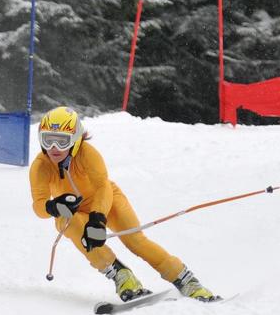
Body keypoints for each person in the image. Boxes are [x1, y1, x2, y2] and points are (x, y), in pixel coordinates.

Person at [30, 106, 217, 303]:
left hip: (107, 202)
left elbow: (103, 187)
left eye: (61, 141)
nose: (53, 148)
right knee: (68, 222)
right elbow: (39, 206)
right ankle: (122, 276)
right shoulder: (40, 167)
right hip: (76, 213)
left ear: (76, 140)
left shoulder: (87, 154)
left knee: (135, 241)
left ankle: (187, 280)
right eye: (47, 140)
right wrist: (52, 207)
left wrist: (98, 218)